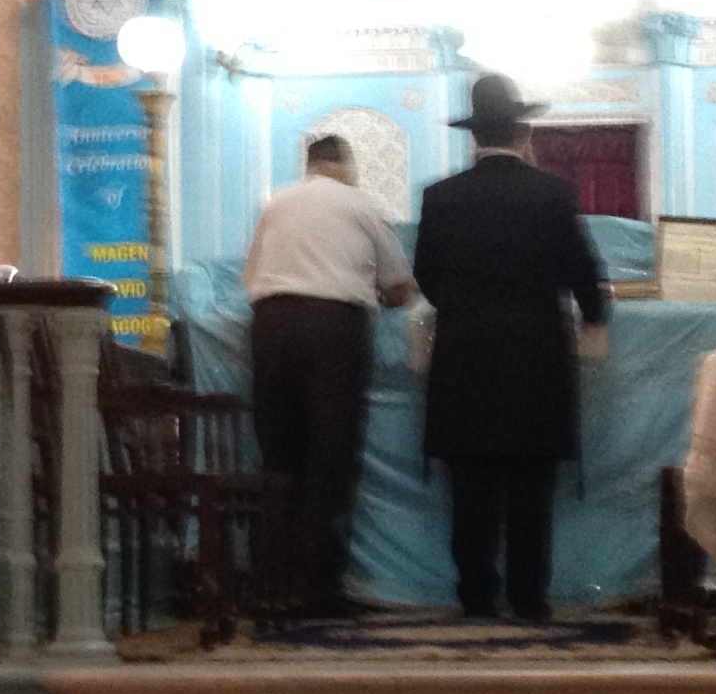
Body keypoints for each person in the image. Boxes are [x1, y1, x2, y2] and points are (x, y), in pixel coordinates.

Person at [412, 74, 611, 620]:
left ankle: (476, 596)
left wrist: (464, 307)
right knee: (531, 484)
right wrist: (595, 314)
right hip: (535, 358)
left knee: (470, 485)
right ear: (522, 133)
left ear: (474, 137)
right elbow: (584, 273)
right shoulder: (552, 193)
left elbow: (426, 275)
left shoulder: (440, 197)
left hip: (464, 358)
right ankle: (528, 597)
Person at [242, 132, 415, 616]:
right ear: (345, 166)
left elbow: (252, 279)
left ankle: (271, 586)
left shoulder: (275, 205)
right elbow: (400, 287)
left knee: (278, 455)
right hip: (333, 330)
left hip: (271, 328)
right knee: (329, 455)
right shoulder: (361, 205)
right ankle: (317, 589)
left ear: (310, 166)